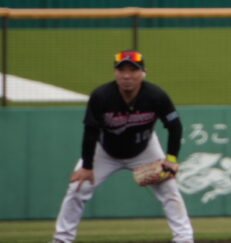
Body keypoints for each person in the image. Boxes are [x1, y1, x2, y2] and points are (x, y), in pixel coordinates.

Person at [52, 49, 194, 243]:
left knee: (169, 189)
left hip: (145, 148)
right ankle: (62, 239)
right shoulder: (101, 95)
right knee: (78, 187)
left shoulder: (156, 95)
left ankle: (184, 239)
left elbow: (174, 126)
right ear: (115, 73)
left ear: (143, 72)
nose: (127, 75)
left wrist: (170, 159)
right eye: (121, 70)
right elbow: (90, 131)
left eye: (133, 70)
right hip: (104, 150)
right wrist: (87, 166)